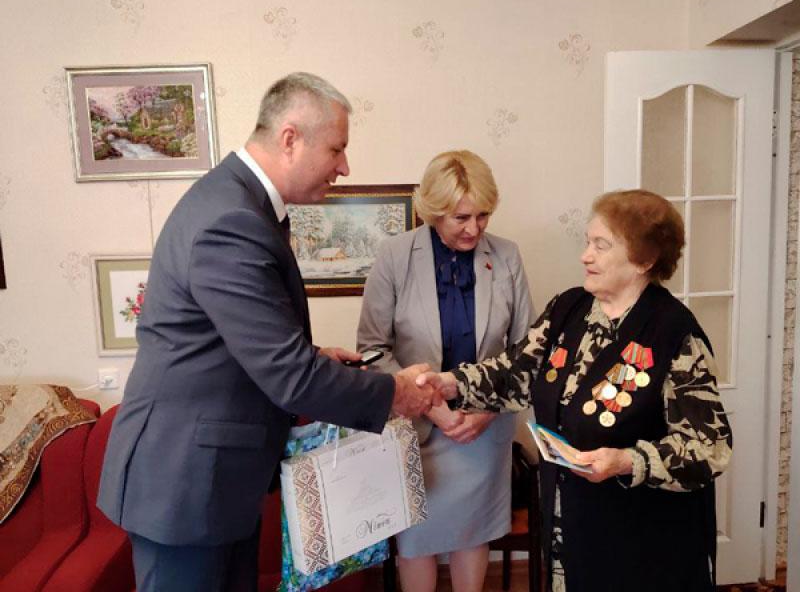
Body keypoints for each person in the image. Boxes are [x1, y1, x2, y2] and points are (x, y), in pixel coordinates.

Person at [97, 72, 439, 592]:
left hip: (215, 479)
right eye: (337, 149)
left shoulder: (239, 202)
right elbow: (289, 376)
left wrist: (315, 354)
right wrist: (395, 393)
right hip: (185, 485)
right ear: (290, 138)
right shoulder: (231, 219)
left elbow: (238, 337)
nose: (345, 167)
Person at [418, 189, 732, 592]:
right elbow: (517, 372)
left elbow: (709, 447)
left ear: (644, 260)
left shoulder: (674, 334)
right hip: (571, 524)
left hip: (644, 541)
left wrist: (626, 461)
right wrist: (449, 383)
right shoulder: (569, 309)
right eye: (587, 242)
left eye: (601, 245)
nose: (585, 256)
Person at [357, 150, 535, 592]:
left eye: (483, 215)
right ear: (433, 212)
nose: (474, 228)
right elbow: (372, 350)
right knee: (416, 541)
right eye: (461, 218)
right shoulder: (395, 255)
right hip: (415, 427)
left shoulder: (507, 256)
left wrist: (487, 412)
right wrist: (432, 408)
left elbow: (527, 351)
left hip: (482, 431)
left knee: (472, 535)